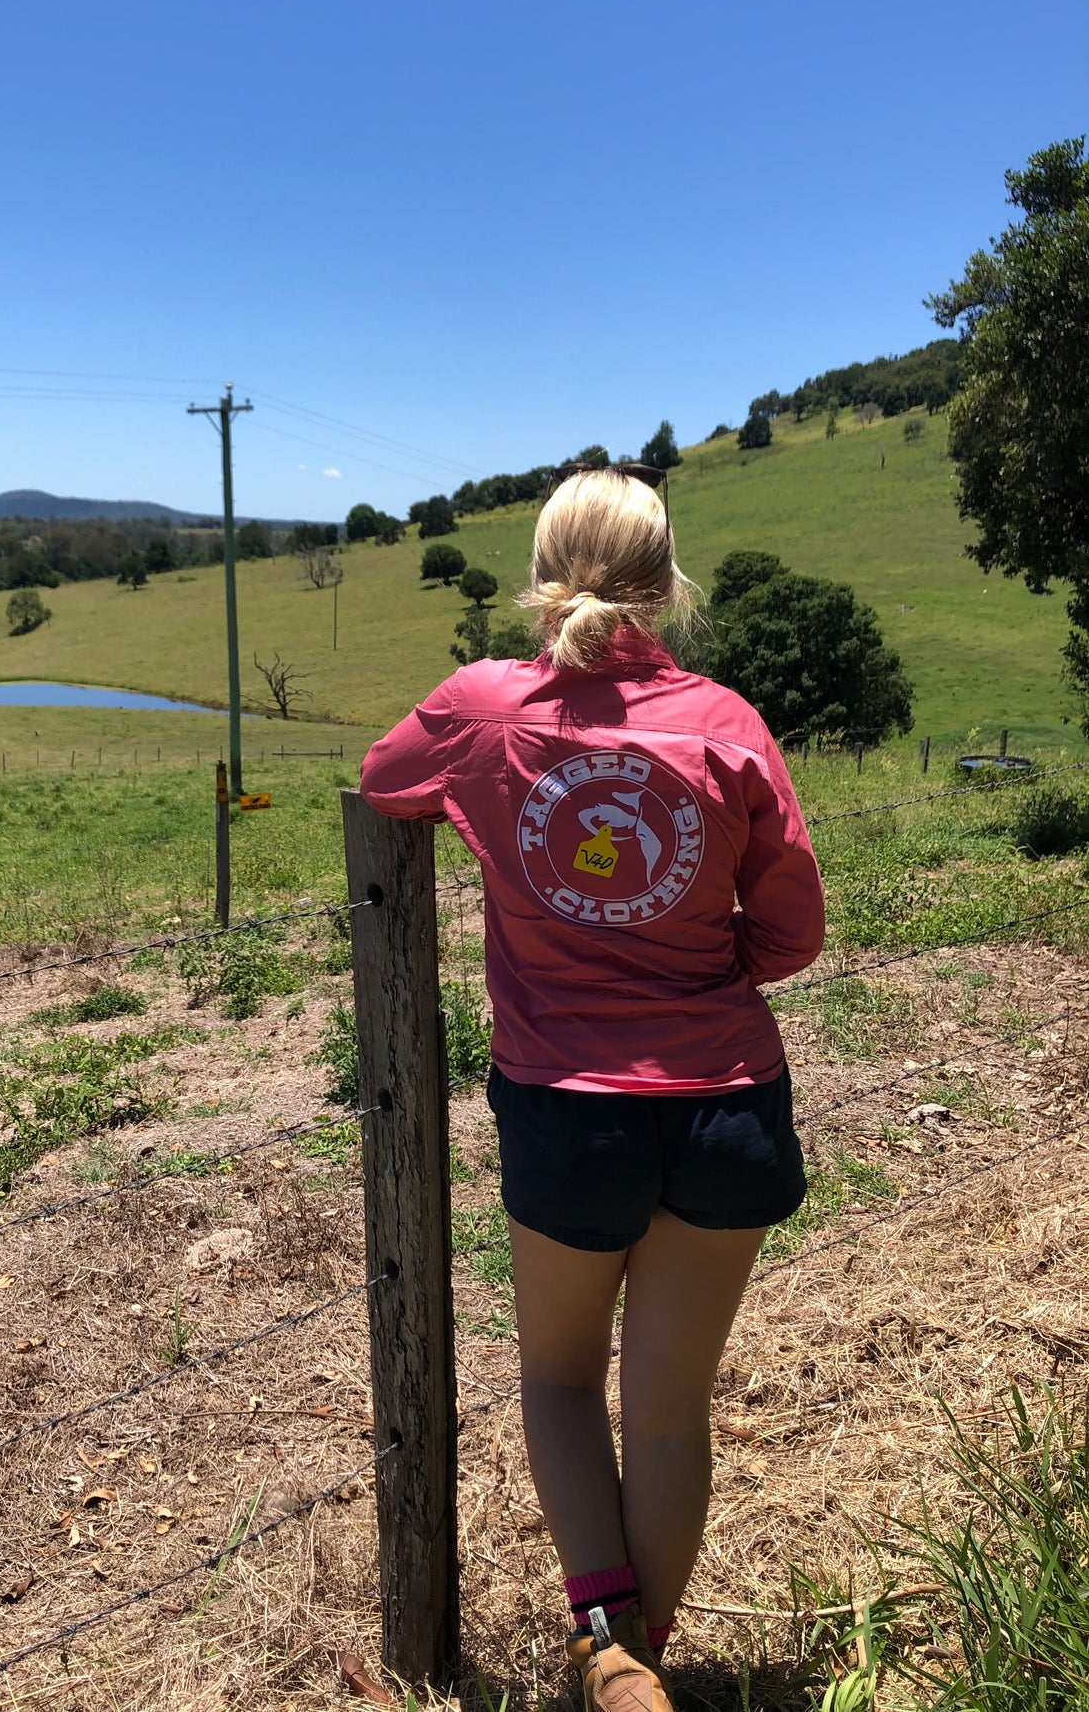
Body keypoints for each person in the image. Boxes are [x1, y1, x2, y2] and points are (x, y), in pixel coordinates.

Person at [359, 467, 825, 1712]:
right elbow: (791, 930)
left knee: (560, 1378)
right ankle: (645, 1659)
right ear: (667, 579)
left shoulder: (481, 708)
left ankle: (602, 1647)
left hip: (568, 1105)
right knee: (668, 1413)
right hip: (724, 1097)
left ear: (540, 568)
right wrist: (708, 962)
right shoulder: (723, 720)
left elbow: (382, 780)